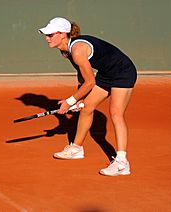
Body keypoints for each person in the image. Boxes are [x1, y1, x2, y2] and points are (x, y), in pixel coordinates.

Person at [38, 17, 137, 176]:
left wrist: (70, 101)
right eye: (46, 35)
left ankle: (122, 162)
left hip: (123, 72)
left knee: (116, 113)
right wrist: (80, 98)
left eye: (50, 34)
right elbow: (82, 75)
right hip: (106, 73)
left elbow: (90, 82)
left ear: (63, 34)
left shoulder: (77, 50)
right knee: (87, 107)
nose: (47, 38)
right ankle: (76, 149)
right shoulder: (66, 50)